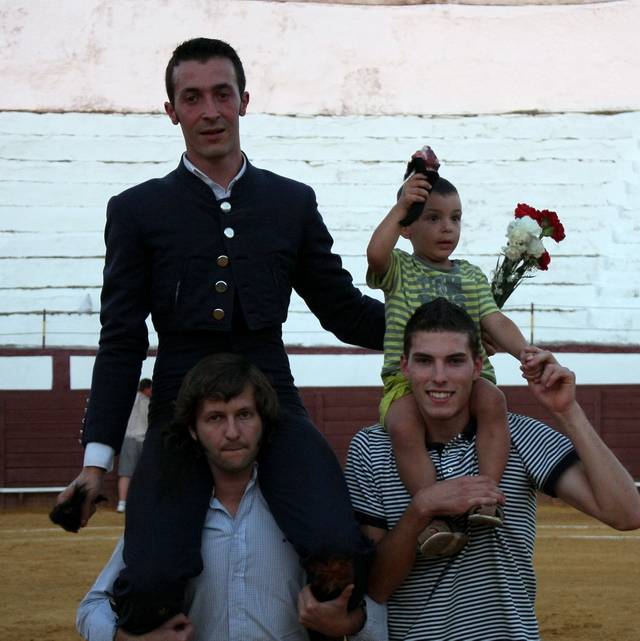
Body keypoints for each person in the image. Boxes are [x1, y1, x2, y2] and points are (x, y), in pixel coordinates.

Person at [56, 37, 384, 634]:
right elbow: (122, 338)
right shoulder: (136, 211)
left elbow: (344, 311)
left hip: (273, 400)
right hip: (179, 409)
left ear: (243, 101)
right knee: (152, 578)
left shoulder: (291, 202)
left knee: (339, 550)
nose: (209, 110)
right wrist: (95, 461)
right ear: (172, 110)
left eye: (221, 94)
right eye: (193, 97)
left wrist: (443, 322)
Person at [345, 298, 640, 641]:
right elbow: (377, 588)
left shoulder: (523, 436)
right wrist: (422, 508)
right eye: (425, 361)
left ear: (477, 366)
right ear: (405, 367)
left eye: (454, 361)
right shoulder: (371, 449)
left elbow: (627, 513)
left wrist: (567, 413)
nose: (439, 377)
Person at [77, 354, 387, 641]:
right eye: (215, 418)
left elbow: (375, 607)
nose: (233, 432)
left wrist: (350, 624)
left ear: (263, 421)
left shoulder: (304, 511)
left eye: (244, 414)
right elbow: (91, 608)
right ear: (193, 430)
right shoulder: (167, 513)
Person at [366, 173, 542, 554]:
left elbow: (494, 320)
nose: (447, 228)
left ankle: (486, 495)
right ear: (407, 228)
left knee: (494, 402)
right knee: (402, 423)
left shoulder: (471, 275)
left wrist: (525, 353)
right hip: (407, 382)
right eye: (432, 218)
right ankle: (432, 516)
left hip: (469, 380)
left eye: (455, 218)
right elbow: (375, 255)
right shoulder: (398, 266)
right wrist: (400, 207)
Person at [116, 378, 152, 513]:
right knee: (144, 474)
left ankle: (122, 503)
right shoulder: (149, 402)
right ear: (148, 389)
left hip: (130, 438)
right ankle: (143, 502)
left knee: (126, 473)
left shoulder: (130, 399)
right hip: (142, 439)